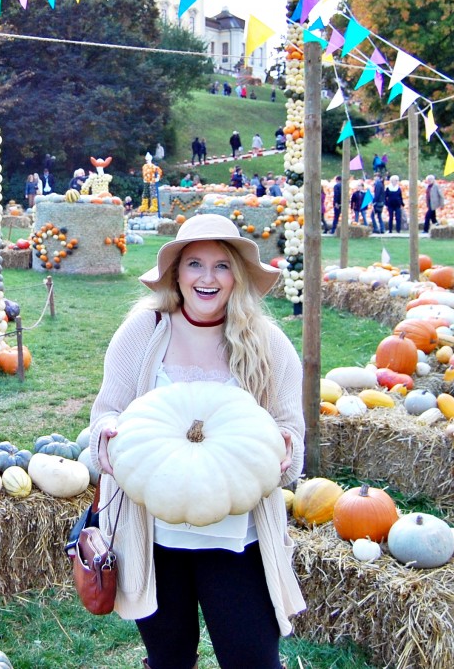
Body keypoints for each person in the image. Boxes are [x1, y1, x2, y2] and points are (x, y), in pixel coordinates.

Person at [89, 213, 305, 668]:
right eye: (195, 264)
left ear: (238, 276)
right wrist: (107, 436)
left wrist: (284, 445)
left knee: (252, 661)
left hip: (237, 539)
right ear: (176, 272)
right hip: (156, 536)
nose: (208, 278)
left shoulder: (268, 343)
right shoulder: (143, 331)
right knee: (168, 661)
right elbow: (106, 411)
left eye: (222, 266)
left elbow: (291, 430)